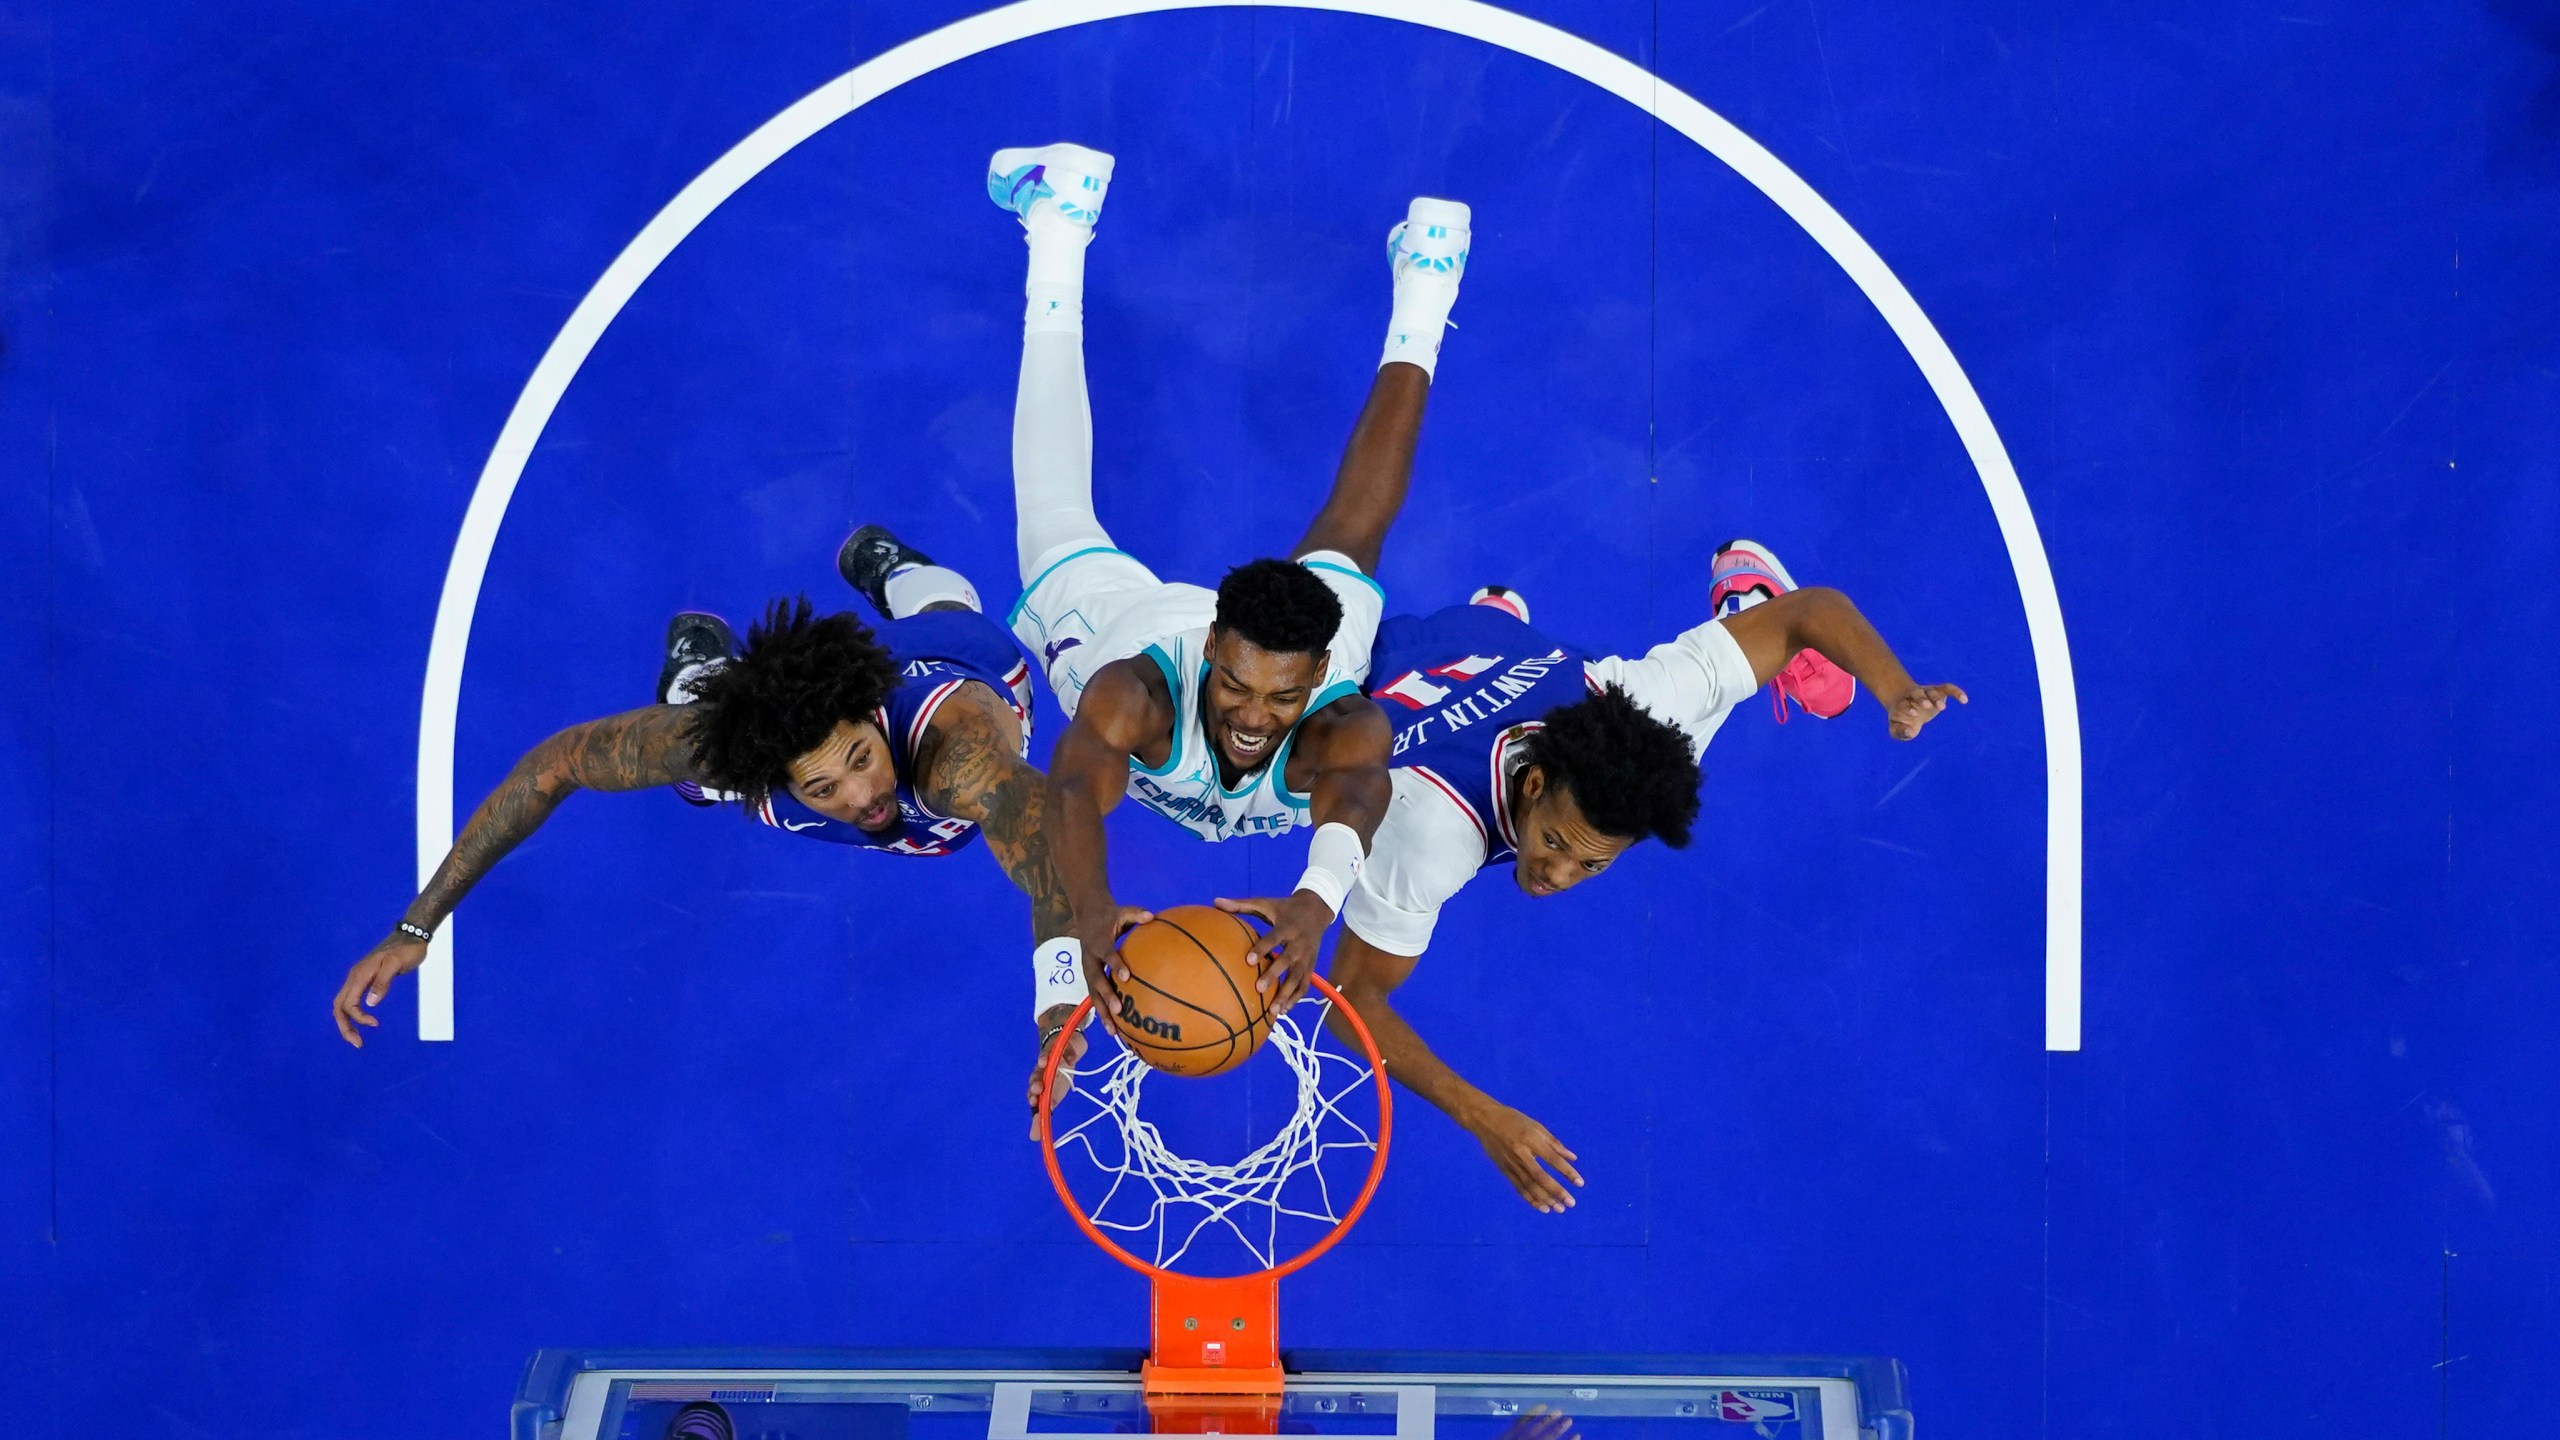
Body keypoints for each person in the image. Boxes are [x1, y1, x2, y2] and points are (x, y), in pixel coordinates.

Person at [981, 142, 1472, 1091]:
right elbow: (1073, 794)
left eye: (1279, 699)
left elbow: (1361, 794)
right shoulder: (1136, 695)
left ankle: (1428, 278)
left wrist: (1314, 904)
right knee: (1050, 521)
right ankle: (1059, 224)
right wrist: (1089, 912)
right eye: (1238, 685)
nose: (1253, 717)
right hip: (1123, 619)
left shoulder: (1335, 714)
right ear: (1212, 648)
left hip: (1284, 640)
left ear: (1316, 677)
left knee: (1351, 534)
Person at [1324, 540, 1968, 1210]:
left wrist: (1898, 690)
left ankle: (1747, 603)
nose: (1559, 874)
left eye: (1593, 862)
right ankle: (1516, 626)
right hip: (1399, 667)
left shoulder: (1645, 702)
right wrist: (1482, 1115)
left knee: (1675, 745)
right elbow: (1350, 996)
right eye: (1556, 842)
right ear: (1534, 782)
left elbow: (1810, 608)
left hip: (1523, 660)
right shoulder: (1427, 834)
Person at [331, 532, 1065, 1046]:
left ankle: (890, 566)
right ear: (781, 777)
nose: (860, 796)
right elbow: (551, 766)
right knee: (699, 766)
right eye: (822, 786)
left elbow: (1042, 853)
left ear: (868, 719)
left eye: (859, 758)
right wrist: (415, 927)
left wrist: (1058, 1005)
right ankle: (701, 683)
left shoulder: (955, 753)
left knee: (941, 611)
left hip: (962, 661)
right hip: (738, 747)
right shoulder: (733, 763)